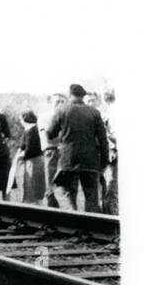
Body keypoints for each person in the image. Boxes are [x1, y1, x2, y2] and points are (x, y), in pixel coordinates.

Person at [46, 83, 109, 212]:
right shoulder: (95, 113)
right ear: (83, 96)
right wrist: (104, 161)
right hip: (90, 161)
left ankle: (72, 221)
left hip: (68, 160)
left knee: (67, 193)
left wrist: (62, 137)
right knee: (92, 197)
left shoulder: (62, 110)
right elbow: (103, 140)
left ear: (70, 95)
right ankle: (93, 227)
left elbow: (50, 133)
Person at [14, 109, 47, 204]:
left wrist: (19, 156)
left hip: (34, 162)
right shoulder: (30, 130)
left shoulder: (31, 131)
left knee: (32, 188)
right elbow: (23, 145)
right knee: (33, 189)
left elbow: (29, 150)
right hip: (35, 161)